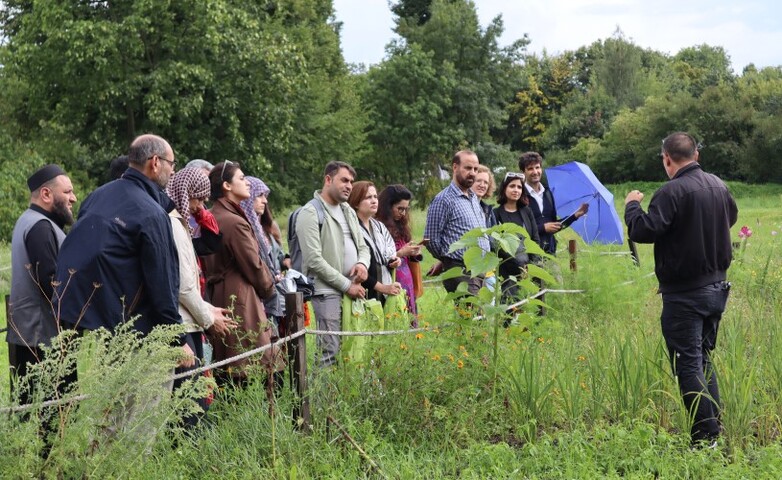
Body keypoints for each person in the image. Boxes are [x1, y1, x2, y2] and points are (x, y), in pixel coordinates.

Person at [624, 132, 738, 446]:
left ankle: (705, 439)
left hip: (686, 294)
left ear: (667, 159)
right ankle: (713, 427)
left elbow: (644, 230)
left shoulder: (671, 191)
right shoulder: (718, 184)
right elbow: (730, 217)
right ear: (696, 155)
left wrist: (632, 206)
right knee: (702, 359)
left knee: (687, 363)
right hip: (717, 287)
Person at [55, 134, 194, 366]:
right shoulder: (151, 213)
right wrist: (177, 339)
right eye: (172, 164)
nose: (173, 172)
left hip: (104, 330)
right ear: (155, 162)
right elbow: (162, 281)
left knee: (115, 400)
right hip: (143, 338)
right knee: (146, 403)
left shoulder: (97, 196)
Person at [165, 167, 237, 422]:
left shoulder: (182, 223)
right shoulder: (173, 225)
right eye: (197, 198)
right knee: (190, 404)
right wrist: (208, 318)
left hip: (192, 319)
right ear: (185, 194)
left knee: (196, 398)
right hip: (183, 323)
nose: (200, 205)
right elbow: (184, 286)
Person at [203, 162, 282, 384]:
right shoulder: (235, 222)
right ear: (227, 186)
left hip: (217, 295)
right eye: (241, 178)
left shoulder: (212, 215)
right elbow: (254, 266)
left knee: (228, 370)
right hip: (241, 298)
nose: (247, 182)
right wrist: (270, 290)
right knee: (252, 371)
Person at [8, 165, 77, 406]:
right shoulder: (40, 227)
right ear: (46, 194)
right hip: (44, 343)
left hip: (32, 338)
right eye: (67, 192)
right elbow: (52, 285)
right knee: (54, 418)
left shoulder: (28, 221)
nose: (73, 198)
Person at [295, 161, 370, 367]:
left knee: (353, 350)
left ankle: (342, 398)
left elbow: (363, 246)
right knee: (329, 352)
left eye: (351, 182)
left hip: (353, 291)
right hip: (326, 291)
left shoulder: (347, 210)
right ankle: (323, 400)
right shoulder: (309, 213)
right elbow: (314, 260)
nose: (349, 186)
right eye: (344, 180)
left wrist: (362, 264)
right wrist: (347, 286)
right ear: (328, 180)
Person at [424, 150, 489, 294]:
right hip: (461, 272)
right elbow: (431, 239)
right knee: (472, 315)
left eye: (475, 169)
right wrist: (448, 260)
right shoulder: (444, 200)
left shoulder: (472, 198)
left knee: (480, 315)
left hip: (479, 270)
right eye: (468, 168)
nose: (472, 173)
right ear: (455, 167)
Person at [519, 151, 588, 254]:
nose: (535, 172)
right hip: (529, 255)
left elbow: (554, 226)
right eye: (530, 169)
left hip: (550, 253)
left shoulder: (548, 194)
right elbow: (519, 230)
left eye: (537, 167)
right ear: (523, 172)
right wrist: (543, 228)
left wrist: (575, 215)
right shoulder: (520, 195)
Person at [240, 176, 284, 329]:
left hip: (270, 297)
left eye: (265, 196)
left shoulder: (260, 228)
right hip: (255, 300)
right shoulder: (243, 228)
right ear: (248, 196)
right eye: (260, 195)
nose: (265, 201)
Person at [347, 181, 401, 304]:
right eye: (368, 197)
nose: (374, 201)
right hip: (362, 292)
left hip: (385, 291)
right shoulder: (350, 229)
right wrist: (382, 287)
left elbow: (389, 252)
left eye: (375, 197)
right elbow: (354, 267)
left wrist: (393, 260)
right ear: (356, 202)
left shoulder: (379, 227)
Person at [493, 172, 540, 303]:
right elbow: (495, 244)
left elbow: (535, 240)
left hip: (528, 269)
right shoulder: (495, 214)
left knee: (531, 307)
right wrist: (517, 264)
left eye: (519, 187)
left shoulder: (527, 211)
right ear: (504, 189)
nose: (516, 190)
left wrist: (531, 265)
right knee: (509, 306)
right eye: (512, 186)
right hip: (507, 271)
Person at [377, 185, 422, 317]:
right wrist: (401, 253)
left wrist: (413, 253)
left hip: (407, 279)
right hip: (389, 281)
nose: (403, 213)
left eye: (405, 209)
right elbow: (378, 258)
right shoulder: (378, 226)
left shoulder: (401, 225)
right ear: (387, 207)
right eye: (399, 209)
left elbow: (405, 253)